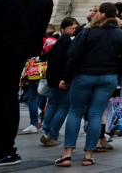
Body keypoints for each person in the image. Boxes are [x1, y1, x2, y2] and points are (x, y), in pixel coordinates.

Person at [0, 0, 55, 167]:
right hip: (19, 54)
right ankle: (7, 148)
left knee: (1, 99)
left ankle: (2, 150)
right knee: (8, 97)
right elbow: (41, 29)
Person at [57, 3, 122, 168]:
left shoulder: (87, 31)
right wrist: (115, 69)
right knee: (95, 114)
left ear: (101, 14)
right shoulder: (121, 34)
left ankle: (67, 154)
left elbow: (73, 55)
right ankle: (89, 155)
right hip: (108, 77)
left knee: (75, 112)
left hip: (84, 75)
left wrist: (66, 77)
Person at [40, 18, 80, 147]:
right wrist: (65, 79)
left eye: (75, 28)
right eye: (72, 28)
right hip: (61, 79)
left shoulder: (58, 42)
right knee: (63, 107)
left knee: (52, 105)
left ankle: (46, 131)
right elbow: (68, 62)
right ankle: (53, 134)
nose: (74, 30)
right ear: (63, 28)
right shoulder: (67, 42)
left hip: (52, 78)